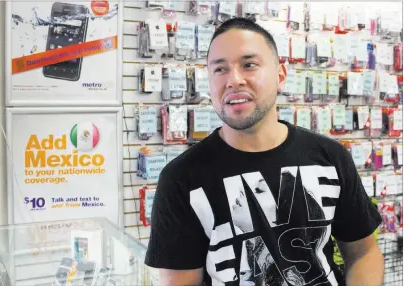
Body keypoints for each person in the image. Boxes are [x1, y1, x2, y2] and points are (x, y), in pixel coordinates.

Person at [144, 17, 384, 286]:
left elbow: (363, 253)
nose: (234, 80)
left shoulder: (330, 157)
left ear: (280, 75)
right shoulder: (181, 179)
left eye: (249, 65)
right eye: (220, 69)